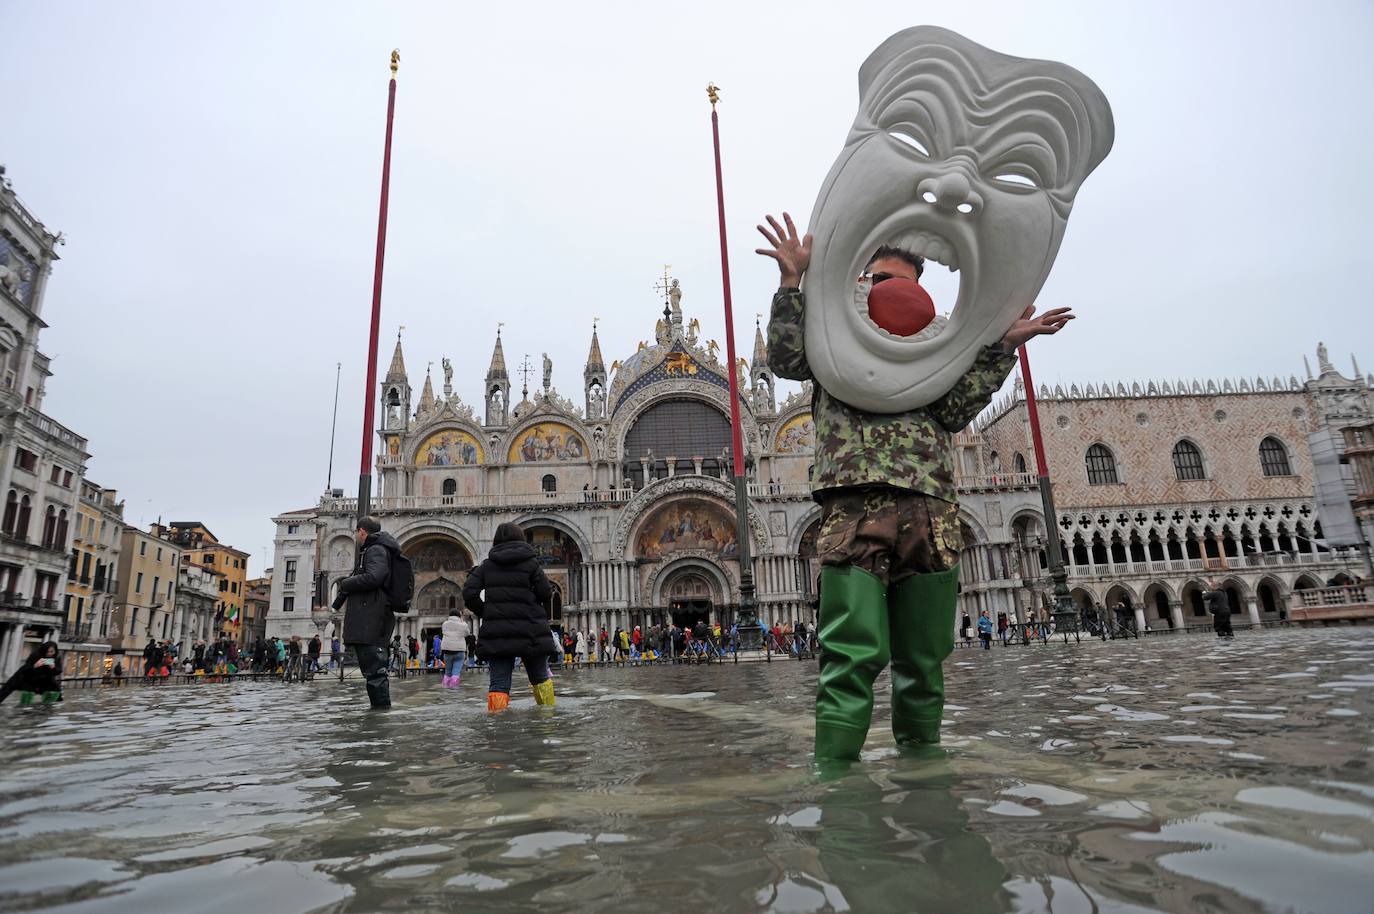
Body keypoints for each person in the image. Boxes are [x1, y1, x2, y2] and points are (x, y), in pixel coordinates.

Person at [760, 213, 1071, 760]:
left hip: (931, 507)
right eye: (881, 281)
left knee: (926, 657)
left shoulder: (935, 342)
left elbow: (953, 412)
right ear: (860, 281)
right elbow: (786, 361)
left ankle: (926, 779)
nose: (894, 295)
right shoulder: (834, 329)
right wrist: (792, 284)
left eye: (908, 285)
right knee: (850, 652)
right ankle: (838, 788)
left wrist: (1002, 349)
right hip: (855, 504)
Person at [462, 521, 556, 712]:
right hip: (531, 630)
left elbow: (469, 593)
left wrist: (486, 611)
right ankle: (547, 719)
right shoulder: (532, 565)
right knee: (540, 678)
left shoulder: (487, 566)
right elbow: (546, 593)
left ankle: (497, 728)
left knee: (498, 683)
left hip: (498, 633)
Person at [334, 516, 404, 710]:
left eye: (357, 533)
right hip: (371, 615)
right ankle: (379, 714)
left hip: (371, 617)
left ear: (362, 531)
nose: (356, 536)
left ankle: (380, 717)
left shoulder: (376, 550)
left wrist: (347, 583)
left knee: (375, 672)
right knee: (374, 672)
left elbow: (376, 576)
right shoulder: (376, 550)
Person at [440, 608, 470, 689]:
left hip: (447, 650)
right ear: (459, 616)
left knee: (447, 672)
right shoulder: (463, 624)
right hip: (459, 650)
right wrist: (462, 621)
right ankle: (454, 690)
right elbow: (467, 633)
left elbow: (443, 631)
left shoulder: (445, 624)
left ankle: (445, 687)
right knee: (455, 672)